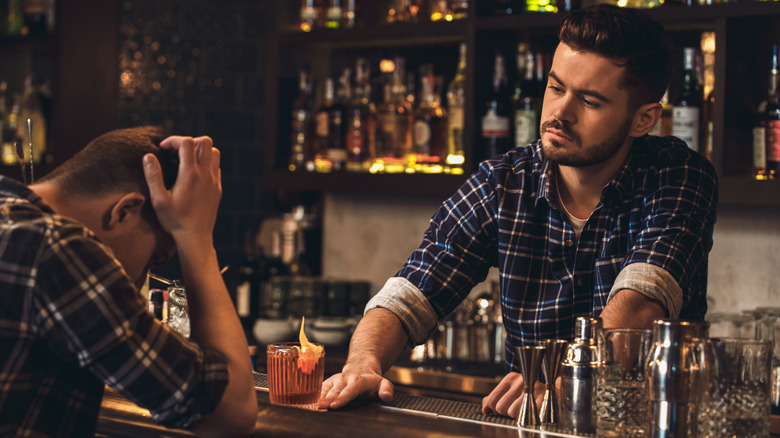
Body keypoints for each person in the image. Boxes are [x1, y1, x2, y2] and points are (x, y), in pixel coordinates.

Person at [319, 4, 718, 419]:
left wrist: (563, 385)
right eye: (556, 88)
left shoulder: (679, 176)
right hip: (530, 425)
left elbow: (639, 303)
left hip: (645, 426)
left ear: (644, 119)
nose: (560, 112)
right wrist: (362, 363)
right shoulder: (504, 182)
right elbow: (410, 292)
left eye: (590, 101)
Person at [0, 126, 257, 437]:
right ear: (124, 212)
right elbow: (231, 412)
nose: (137, 284)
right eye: (155, 260)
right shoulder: (57, 248)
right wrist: (195, 235)